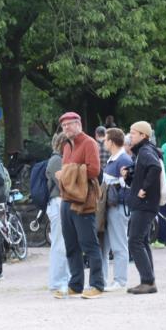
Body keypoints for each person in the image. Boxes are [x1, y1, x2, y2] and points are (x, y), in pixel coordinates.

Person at [54, 112, 103, 299]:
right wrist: (66, 174)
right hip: (66, 199)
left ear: (79, 124)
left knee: (89, 243)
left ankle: (97, 284)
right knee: (71, 244)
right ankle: (75, 284)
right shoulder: (66, 145)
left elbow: (94, 170)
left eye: (70, 124)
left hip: (84, 199)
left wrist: (67, 173)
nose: (66, 128)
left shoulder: (90, 143)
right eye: (64, 125)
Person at [122, 121, 163, 295]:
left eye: (133, 133)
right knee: (142, 241)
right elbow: (140, 176)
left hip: (144, 204)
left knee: (135, 241)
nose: (130, 135)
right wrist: (128, 176)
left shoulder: (146, 151)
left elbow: (155, 168)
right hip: (144, 204)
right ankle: (148, 279)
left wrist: (144, 189)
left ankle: (148, 281)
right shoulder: (142, 152)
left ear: (143, 135)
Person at [100, 128, 132, 292]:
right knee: (104, 245)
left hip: (117, 206)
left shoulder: (122, 159)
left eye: (105, 140)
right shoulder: (114, 159)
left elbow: (128, 186)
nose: (104, 142)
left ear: (111, 141)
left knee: (119, 244)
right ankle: (103, 280)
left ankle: (120, 280)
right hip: (109, 206)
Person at [45, 133, 68, 294]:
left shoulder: (58, 159)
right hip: (58, 202)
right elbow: (63, 184)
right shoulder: (56, 161)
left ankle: (61, 278)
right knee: (59, 244)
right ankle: (57, 280)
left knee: (61, 243)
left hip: (59, 202)